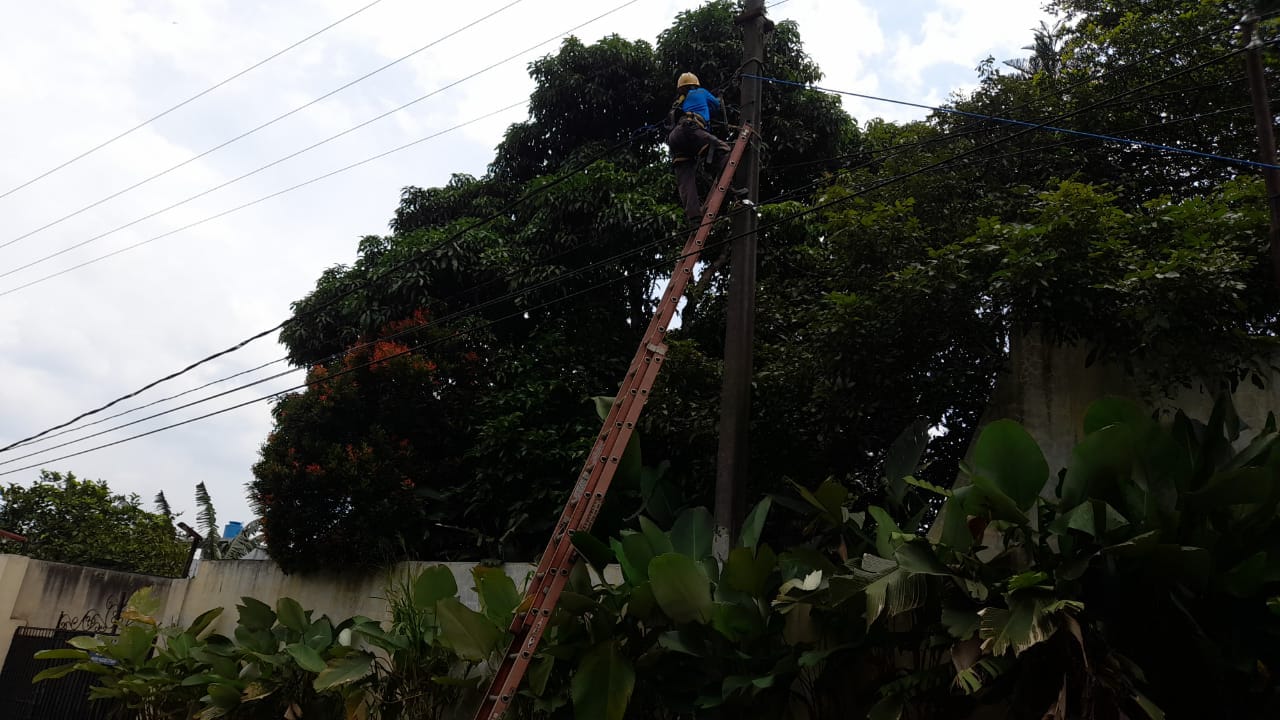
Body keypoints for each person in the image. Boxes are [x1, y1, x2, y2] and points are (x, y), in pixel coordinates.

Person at [666, 72, 738, 226]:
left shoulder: (679, 103)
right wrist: (718, 98)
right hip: (691, 129)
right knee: (723, 149)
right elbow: (717, 106)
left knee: (685, 179)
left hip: (675, 137)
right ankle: (725, 184)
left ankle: (694, 218)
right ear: (695, 85)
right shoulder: (701, 92)